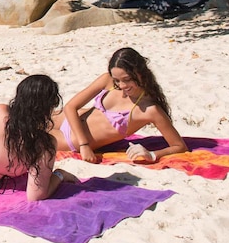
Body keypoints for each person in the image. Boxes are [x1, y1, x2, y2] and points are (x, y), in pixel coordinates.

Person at [50, 47, 188, 163]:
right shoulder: (107, 80)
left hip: (69, 140)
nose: (121, 86)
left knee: (29, 137)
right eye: (117, 80)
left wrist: (152, 155)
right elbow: (71, 107)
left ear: (140, 74)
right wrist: (84, 144)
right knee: (30, 115)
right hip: (68, 118)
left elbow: (179, 146)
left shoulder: (150, 110)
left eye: (127, 80)